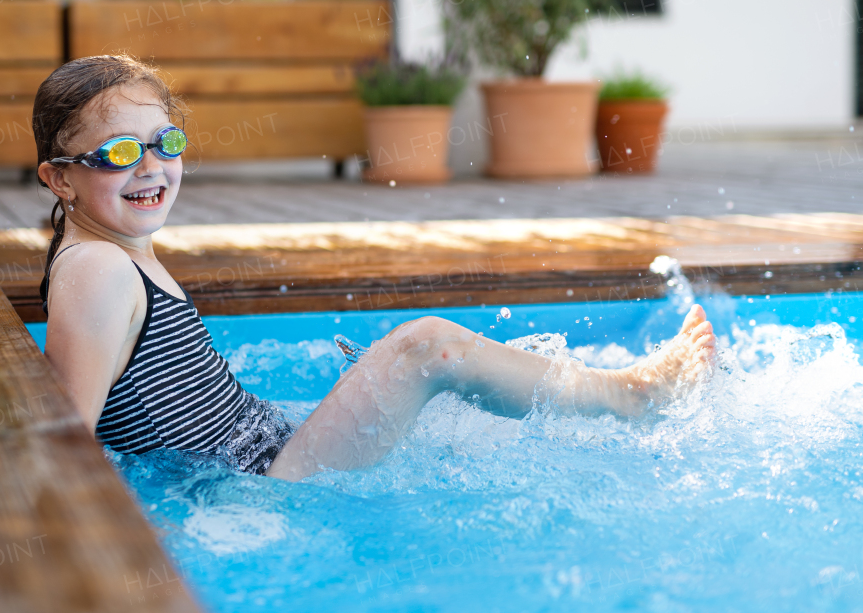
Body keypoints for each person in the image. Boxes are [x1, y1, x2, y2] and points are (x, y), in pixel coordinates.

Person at [36, 55, 717, 482]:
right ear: (60, 179)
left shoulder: (114, 252)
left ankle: (611, 391)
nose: (152, 165)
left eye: (166, 141)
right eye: (121, 152)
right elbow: (66, 443)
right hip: (264, 478)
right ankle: (633, 394)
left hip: (264, 449)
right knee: (425, 346)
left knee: (421, 382)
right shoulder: (98, 269)